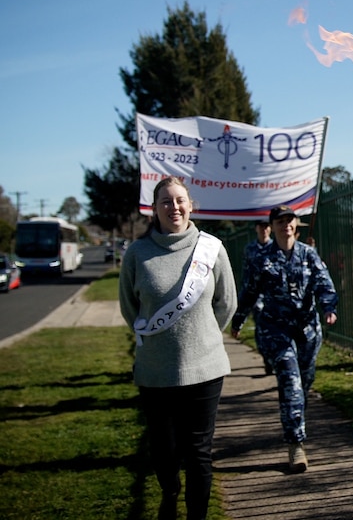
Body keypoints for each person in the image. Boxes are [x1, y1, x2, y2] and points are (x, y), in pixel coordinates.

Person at [119, 176, 237, 520]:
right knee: (164, 450)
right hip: (156, 370)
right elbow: (130, 308)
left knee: (199, 452)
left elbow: (226, 303)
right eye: (166, 202)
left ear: (191, 205)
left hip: (205, 369)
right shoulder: (137, 254)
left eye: (180, 200)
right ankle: (169, 492)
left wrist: (200, 338)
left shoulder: (211, 248)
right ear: (154, 210)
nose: (175, 207)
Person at [231, 205, 338, 473]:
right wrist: (238, 319)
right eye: (280, 221)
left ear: (296, 224)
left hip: (307, 331)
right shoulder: (262, 258)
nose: (285, 225)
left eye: (289, 220)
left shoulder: (308, 254)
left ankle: (295, 422)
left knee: (304, 382)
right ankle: (295, 444)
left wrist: (328, 308)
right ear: (273, 226)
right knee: (290, 380)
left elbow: (324, 284)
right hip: (276, 330)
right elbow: (249, 291)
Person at [238, 220, 274, 375]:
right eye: (261, 226)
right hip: (256, 295)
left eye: (266, 226)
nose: (264, 229)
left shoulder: (276, 247)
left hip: (274, 295)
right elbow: (246, 274)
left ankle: (275, 357)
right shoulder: (250, 249)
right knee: (261, 328)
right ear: (256, 228)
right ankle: (266, 357)